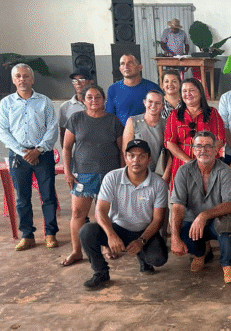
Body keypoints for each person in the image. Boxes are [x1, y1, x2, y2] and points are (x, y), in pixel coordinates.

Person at [79, 139, 168, 290]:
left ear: (149, 159)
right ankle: (101, 272)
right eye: (131, 155)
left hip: (144, 231)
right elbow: (100, 211)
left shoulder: (158, 183)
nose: (136, 160)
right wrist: (111, 235)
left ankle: (144, 259)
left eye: (141, 156)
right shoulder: (112, 177)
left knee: (158, 259)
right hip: (117, 228)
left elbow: (158, 219)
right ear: (125, 157)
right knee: (87, 231)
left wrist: (141, 241)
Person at [0, 64, 60, 251]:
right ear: (13, 80)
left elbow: (52, 128)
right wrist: (23, 152)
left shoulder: (44, 102)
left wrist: (38, 150)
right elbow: (2, 131)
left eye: (26, 76)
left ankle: (50, 233)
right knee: (22, 198)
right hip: (18, 156)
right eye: (18, 76)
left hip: (43, 155)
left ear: (32, 79)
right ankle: (27, 235)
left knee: (48, 196)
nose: (22, 79)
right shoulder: (6, 103)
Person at [62, 85, 125, 266]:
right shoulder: (76, 119)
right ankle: (76, 251)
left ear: (104, 100)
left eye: (98, 97)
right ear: (83, 100)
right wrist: (67, 171)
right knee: (77, 213)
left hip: (109, 174)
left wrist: (122, 173)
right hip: (82, 175)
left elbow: (121, 150)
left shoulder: (113, 121)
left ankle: (106, 246)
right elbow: (67, 148)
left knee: (106, 213)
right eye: (89, 97)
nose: (94, 100)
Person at [169, 131, 231, 283]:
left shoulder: (224, 170)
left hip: (217, 221)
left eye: (208, 146)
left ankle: (227, 264)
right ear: (193, 149)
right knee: (182, 231)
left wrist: (204, 215)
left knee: (227, 224)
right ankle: (200, 254)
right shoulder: (183, 171)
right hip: (192, 222)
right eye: (199, 146)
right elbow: (177, 206)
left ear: (215, 149)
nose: (203, 150)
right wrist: (174, 237)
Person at [164, 78, 226, 188]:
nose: (187, 94)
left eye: (191, 90)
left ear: (200, 93)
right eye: (184, 91)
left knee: (207, 193)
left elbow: (220, 139)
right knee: (182, 194)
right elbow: (169, 142)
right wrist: (189, 162)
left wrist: (205, 159)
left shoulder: (212, 113)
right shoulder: (174, 114)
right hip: (181, 163)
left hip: (208, 164)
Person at [122, 89, 169, 179]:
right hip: (137, 172)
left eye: (157, 103)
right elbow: (125, 150)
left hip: (159, 173)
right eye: (150, 102)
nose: (153, 105)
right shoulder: (133, 121)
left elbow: (169, 152)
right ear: (144, 102)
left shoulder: (166, 124)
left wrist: (165, 176)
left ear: (162, 106)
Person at [106, 53, 162, 125]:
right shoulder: (113, 89)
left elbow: (161, 113)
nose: (126, 66)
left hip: (147, 130)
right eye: (122, 64)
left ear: (140, 67)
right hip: (121, 131)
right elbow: (109, 116)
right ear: (120, 69)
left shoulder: (153, 88)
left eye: (130, 63)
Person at [59, 68, 93, 145]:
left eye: (81, 79)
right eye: (74, 80)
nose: (78, 83)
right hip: (75, 150)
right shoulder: (65, 107)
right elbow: (63, 134)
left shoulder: (98, 104)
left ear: (91, 81)